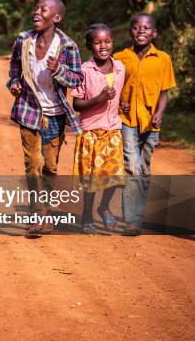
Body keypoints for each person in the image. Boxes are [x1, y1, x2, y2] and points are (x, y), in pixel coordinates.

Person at [6, 0, 83, 238]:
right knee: (33, 164)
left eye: (43, 9)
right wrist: (14, 85)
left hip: (56, 115)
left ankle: (46, 211)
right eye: (36, 8)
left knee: (50, 166)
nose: (36, 12)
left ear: (56, 18)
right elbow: (14, 71)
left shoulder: (68, 46)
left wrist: (58, 70)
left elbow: (77, 79)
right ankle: (38, 215)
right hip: (29, 111)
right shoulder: (23, 40)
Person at [113, 13, 176, 236]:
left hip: (151, 123)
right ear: (130, 32)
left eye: (147, 27)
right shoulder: (119, 58)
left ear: (154, 33)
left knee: (145, 170)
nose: (141, 31)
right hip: (127, 120)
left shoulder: (163, 59)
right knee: (132, 166)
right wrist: (120, 101)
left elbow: (164, 92)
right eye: (137, 27)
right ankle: (132, 220)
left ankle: (137, 212)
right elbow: (113, 88)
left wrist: (160, 112)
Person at [71, 24, 125, 234]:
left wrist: (123, 104)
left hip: (112, 129)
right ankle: (87, 215)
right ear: (89, 46)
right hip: (91, 131)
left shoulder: (120, 68)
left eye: (107, 41)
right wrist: (100, 98)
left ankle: (104, 207)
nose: (103, 46)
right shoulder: (84, 71)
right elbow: (77, 105)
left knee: (115, 175)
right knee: (91, 179)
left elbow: (120, 94)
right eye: (97, 42)